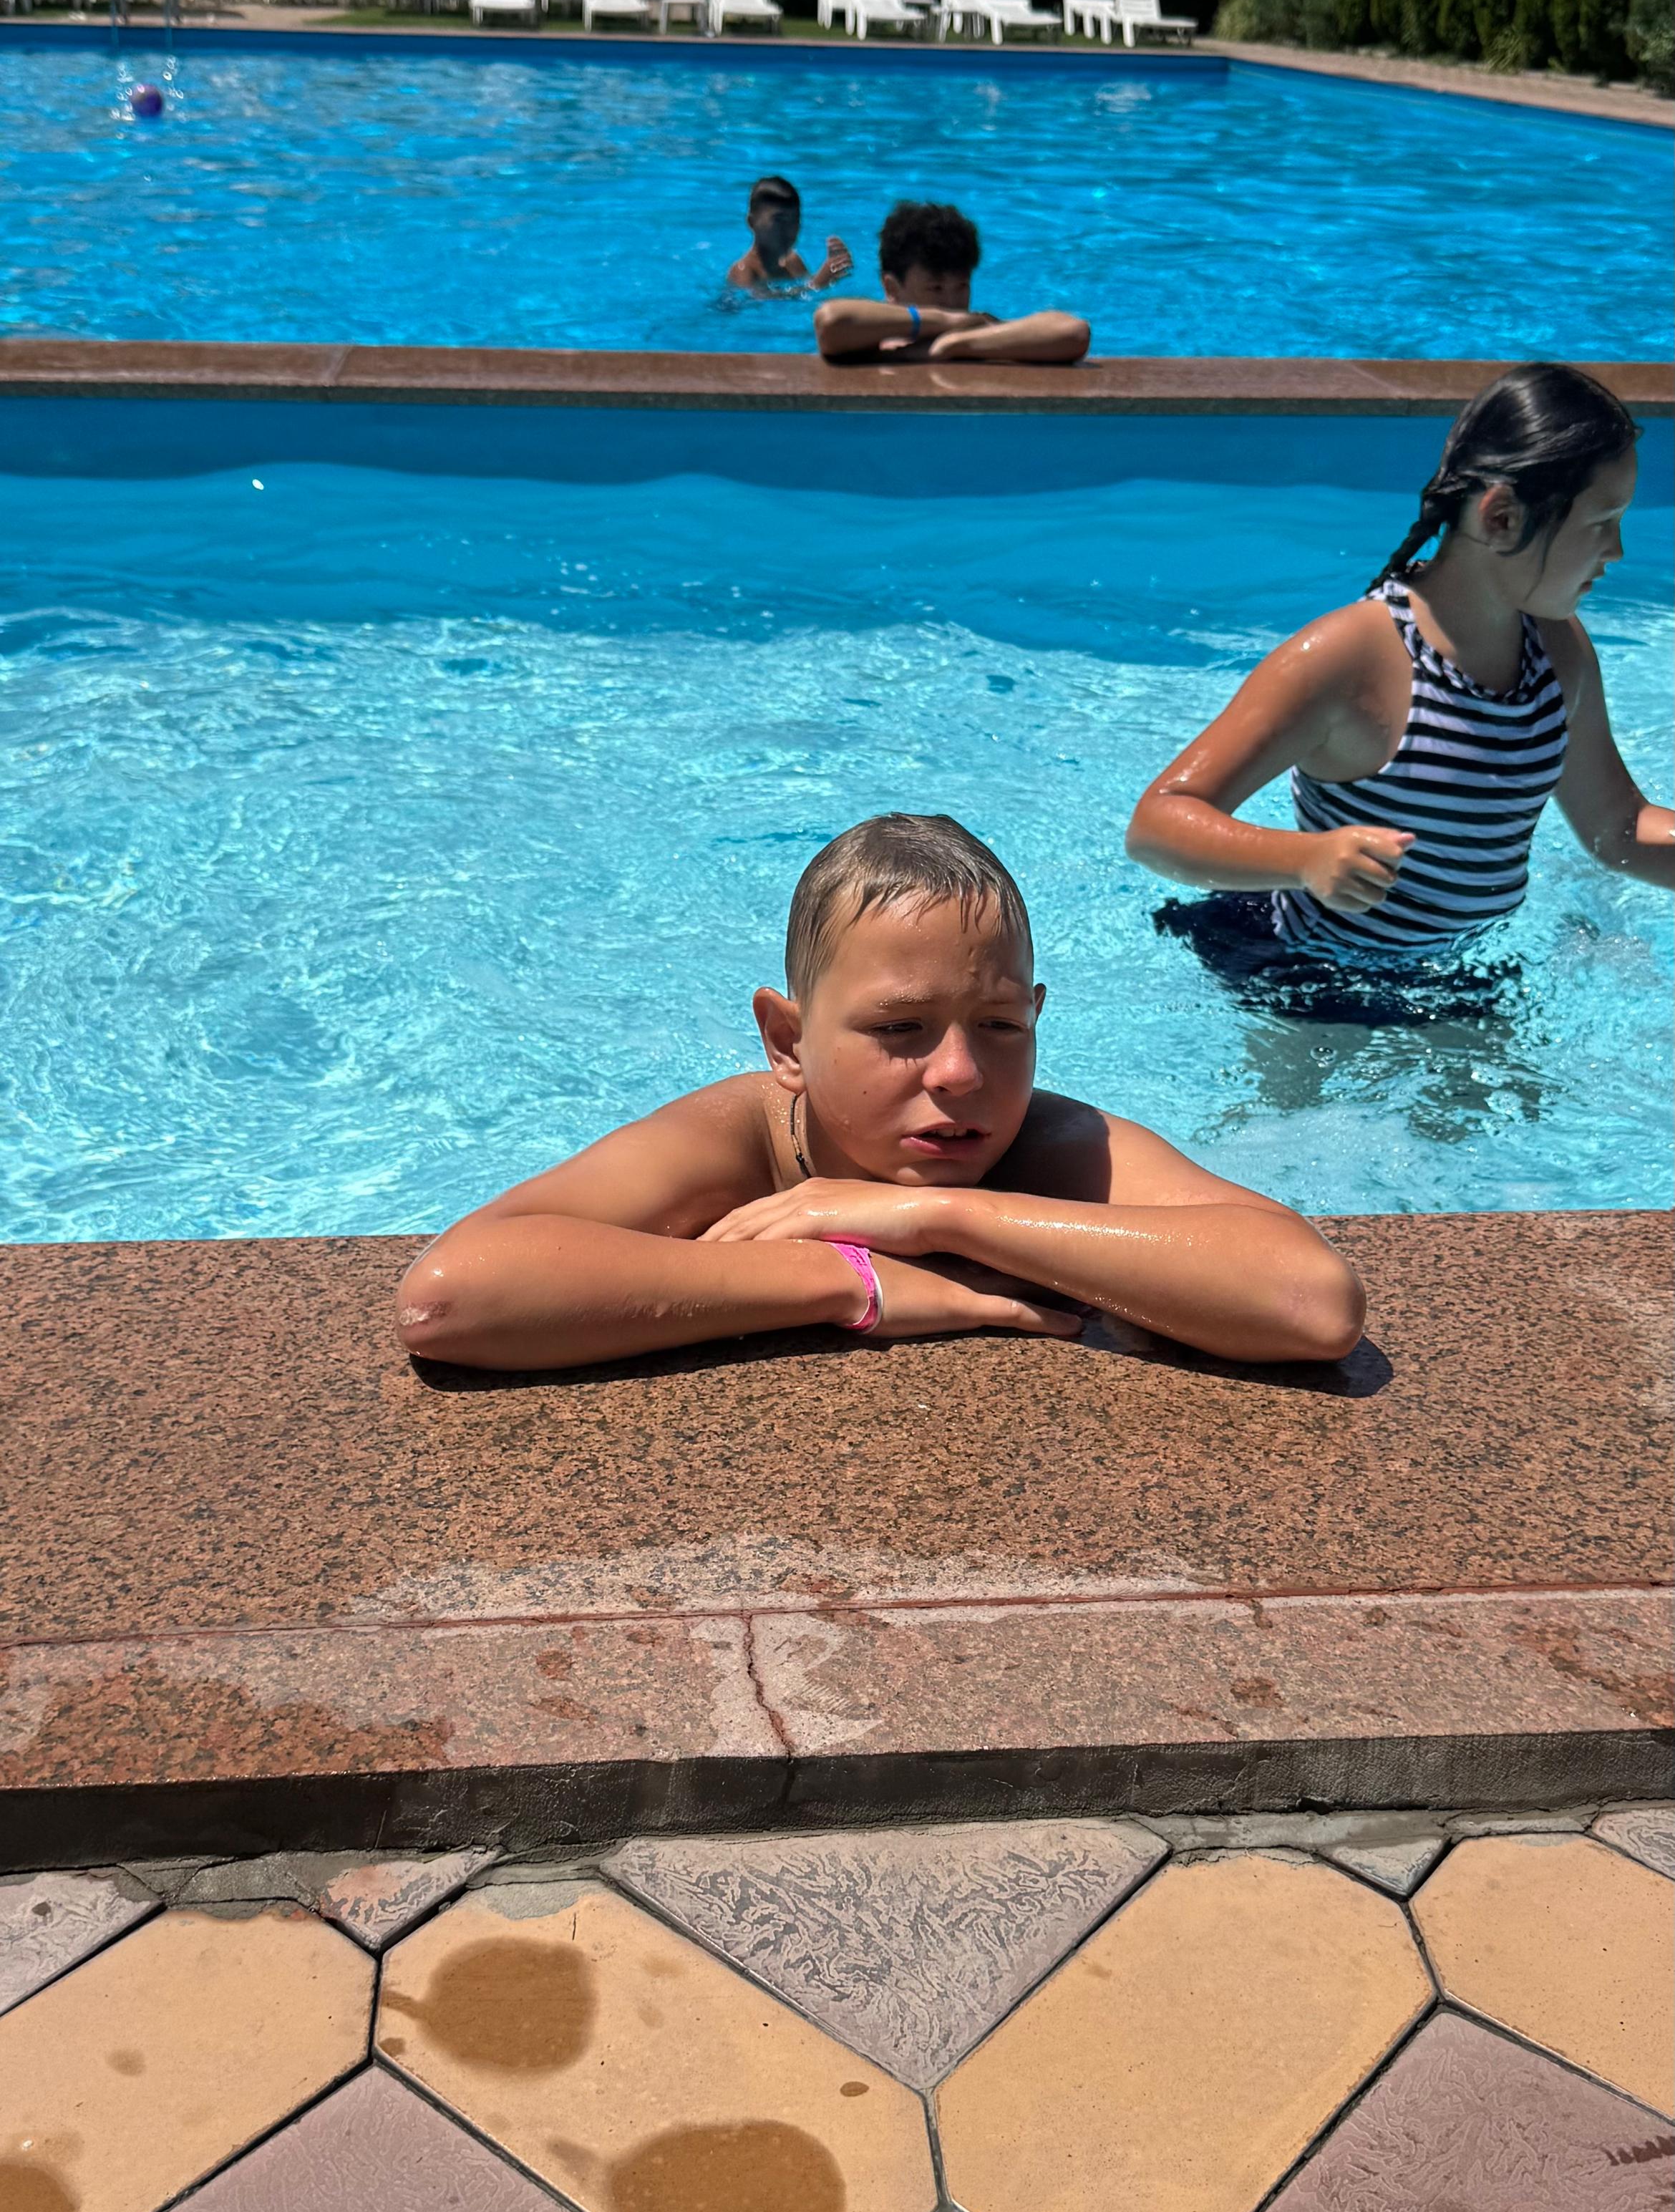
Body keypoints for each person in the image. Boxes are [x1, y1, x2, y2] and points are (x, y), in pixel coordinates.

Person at [397, 814, 1363, 1374]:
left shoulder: (1056, 1147)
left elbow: (1312, 1301)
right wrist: (844, 1281)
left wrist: (942, 1217)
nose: (960, 1073)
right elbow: (451, 1298)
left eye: (1000, 1026)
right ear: (788, 1041)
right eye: (900, 1030)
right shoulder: (733, 1142)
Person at [1126, 362, 1672, 968]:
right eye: (1601, 523)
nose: (1617, 550)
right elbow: (1157, 823)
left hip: (1452, 974)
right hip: (1307, 974)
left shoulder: (1557, 653)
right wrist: (1304, 860)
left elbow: (1619, 828)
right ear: (1501, 518)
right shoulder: (1352, 658)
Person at [814, 200, 1090, 366]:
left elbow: (1074, 332)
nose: (952, 303)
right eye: (936, 288)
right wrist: (944, 321)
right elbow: (831, 321)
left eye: (962, 287)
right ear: (891, 289)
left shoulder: (979, 332)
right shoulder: (879, 339)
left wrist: (955, 344)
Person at [727, 174, 853, 293]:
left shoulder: (793, 262)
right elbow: (757, 304)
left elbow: (807, 297)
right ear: (752, 223)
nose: (789, 228)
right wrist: (818, 283)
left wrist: (833, 272)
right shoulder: (744, 271)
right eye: (779, 220)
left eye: (795, 220)